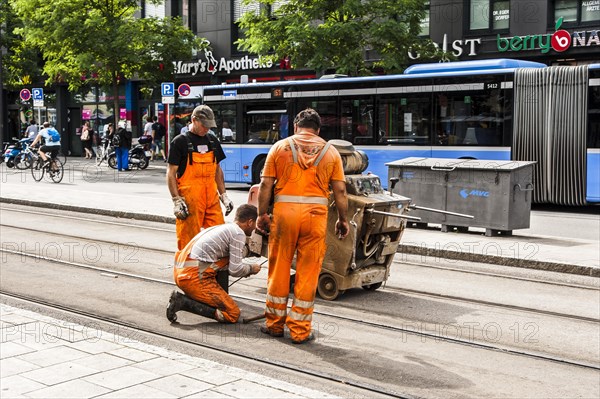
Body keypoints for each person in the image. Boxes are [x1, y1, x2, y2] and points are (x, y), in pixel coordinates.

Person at [257, 108, 349, 344]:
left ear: (296, 127)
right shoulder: (331, 152)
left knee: (278, 269)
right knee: (308, 272)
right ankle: (299, 330)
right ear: (318, 130)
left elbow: (266, 185)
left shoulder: (280, 147)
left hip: (284, 216)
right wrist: (342, 219)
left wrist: (261, 214)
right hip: (314, 218)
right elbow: (340, 190)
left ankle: (274, 325)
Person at [166, 204, 262, 324]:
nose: (255, 229)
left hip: (182, 271)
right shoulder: (238, 234)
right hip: (192, 278)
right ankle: (183, 302)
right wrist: (251, 269)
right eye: (255, 225)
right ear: (250, 222)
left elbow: (224, 260)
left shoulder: (225, 228)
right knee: (232, 313)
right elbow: (235, 270)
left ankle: (198, 296)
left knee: (225, 264)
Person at [167, 105, 234, 250]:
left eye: (209, 126)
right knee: (188, 241)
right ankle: (188, 271)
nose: (206, 129)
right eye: (204, 125)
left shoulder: (212, 141)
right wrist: (176, 200)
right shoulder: (180, 142)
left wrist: (224, 195)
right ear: (194, 120)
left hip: (211, 198)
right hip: (190, 200)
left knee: (219, 236)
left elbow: (217, 170)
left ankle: (214, 271)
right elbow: (171, 172)